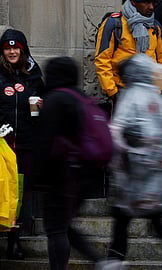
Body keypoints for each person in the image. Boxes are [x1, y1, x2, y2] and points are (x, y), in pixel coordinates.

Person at [106, 54, 162, 270]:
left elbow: (119, 133)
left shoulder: (131, 97)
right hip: (156, 179)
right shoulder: (155, 97)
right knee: (154, 225)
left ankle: (113, 262)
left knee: (122, 221)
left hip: (135, 177)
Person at [35, 57, 114, 270]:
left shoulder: (55, 99)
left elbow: (45, 141)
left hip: (61, 175)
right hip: (84, 174)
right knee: (64, 226)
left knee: (56, 229)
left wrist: (38, 177)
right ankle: (100, 262)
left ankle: (92, 263)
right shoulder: (80, 97)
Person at [0, 28, 44, 259]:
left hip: (25, 143)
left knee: (18, 192)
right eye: (7, 48)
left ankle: (13, 241)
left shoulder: (33, 74)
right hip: (2, 144)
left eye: (16, 47)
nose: (12, 51)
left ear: (23, 49)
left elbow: (42, 100)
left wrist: (40, 107)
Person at [94, 0, 162, 106]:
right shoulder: (114, 23)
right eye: (146, 2)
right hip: (123, 93)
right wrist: (113, 92)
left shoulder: (155, 26)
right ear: (133, 2)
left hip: (151, 94)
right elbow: (102, 60)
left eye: (153, 3)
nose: (151, 7)